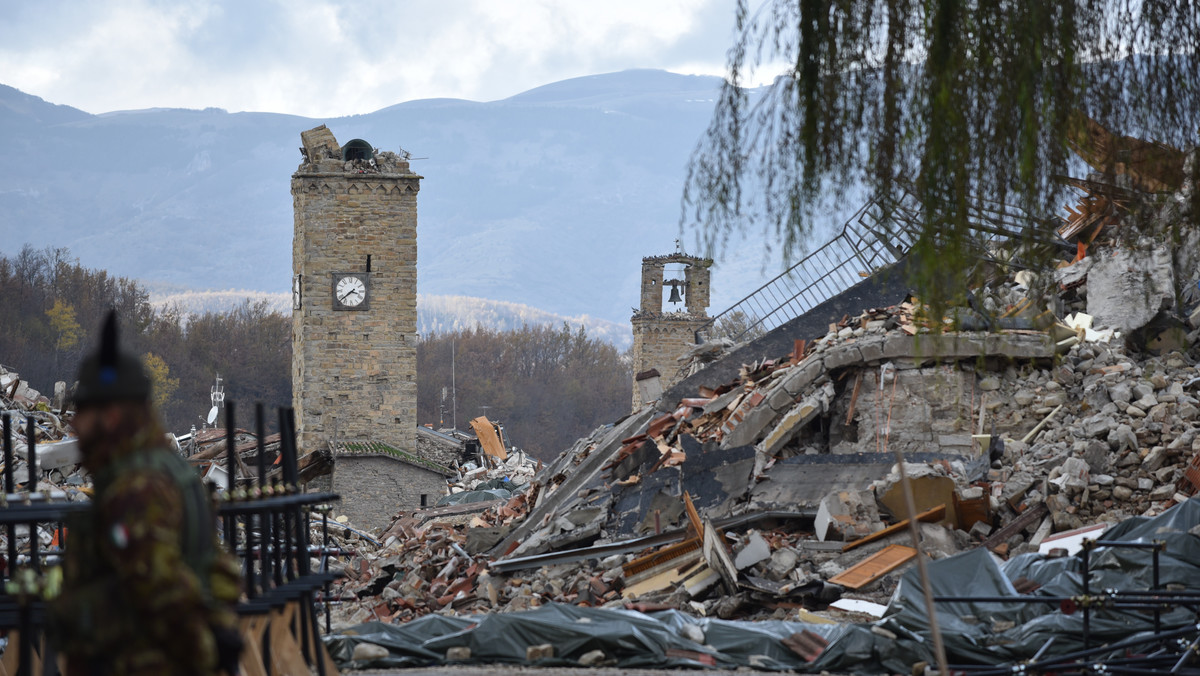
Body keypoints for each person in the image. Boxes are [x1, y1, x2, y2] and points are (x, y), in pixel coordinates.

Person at [50, 311, 242, 676]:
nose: (74, 424)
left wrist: (202, 649)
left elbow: (161, 589)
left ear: (109, 416)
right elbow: (220, 572)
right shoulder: (171, 471)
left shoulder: (136, 488)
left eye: (81, 413)